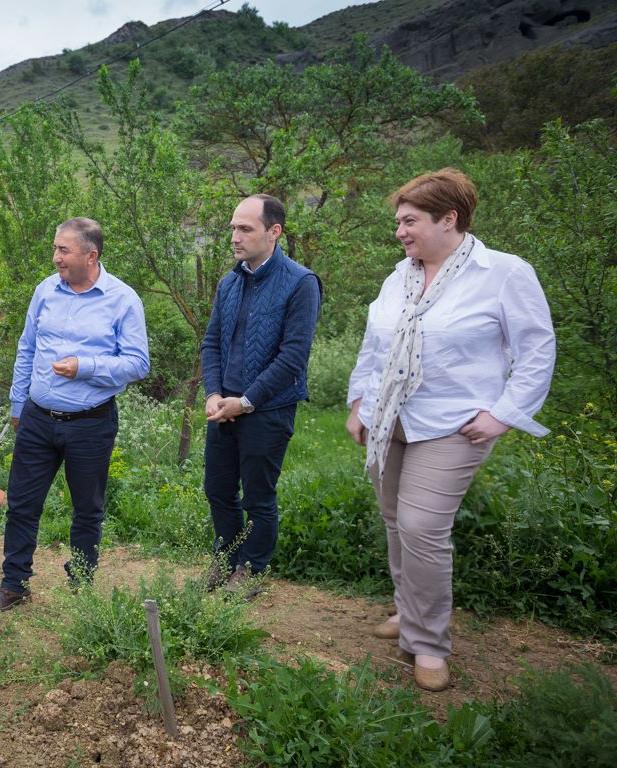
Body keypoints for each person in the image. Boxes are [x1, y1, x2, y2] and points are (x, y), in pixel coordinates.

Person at [346, 169, 555, 691]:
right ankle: (408, 610)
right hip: (389, 419)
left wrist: (504, 413)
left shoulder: (503, 273)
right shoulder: (399, 277)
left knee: (421, 527)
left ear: (449, 219)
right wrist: (359, 403)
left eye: (409, 221)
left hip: (454, 424)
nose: (399, 232)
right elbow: (374, 346)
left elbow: (537, 348)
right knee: (396, 522)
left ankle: (427, 643)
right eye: (399, 222)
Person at [0, 218, 149, 611]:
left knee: (87, 510)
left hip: (90, 423)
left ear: (91, 255)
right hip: (37, 418)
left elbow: (138, 363)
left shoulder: (123, 300)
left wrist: (85, 367)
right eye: (55, 248)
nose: (55, 257)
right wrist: (17, 404)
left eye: (63, 250)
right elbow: (27, 347)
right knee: (21, 504)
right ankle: (14, 584)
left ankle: (81, 587)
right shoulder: (45, 290)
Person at [201, 194, 321, 598]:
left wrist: (247, 400)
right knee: (218, 490)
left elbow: (293, 357)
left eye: (245, 229)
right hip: (224, 407)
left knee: (258, 497)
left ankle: (250, 570)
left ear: (274, 232)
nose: (235, 237)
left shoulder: (300, 282)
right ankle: (226, 560)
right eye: (233, 228)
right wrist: (214, 393)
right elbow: (212, 343)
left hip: (268, 410)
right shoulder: (230, 282)